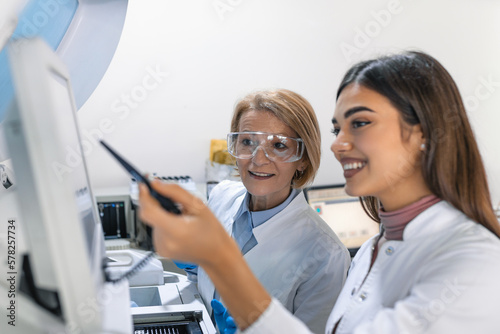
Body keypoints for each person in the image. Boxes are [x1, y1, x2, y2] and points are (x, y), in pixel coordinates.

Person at [138, 51, 500, 334]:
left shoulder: (472, 261)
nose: (339, 145)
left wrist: (221, 261)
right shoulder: (373, 252)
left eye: (359, 123)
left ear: (422, 134)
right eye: (337, 128)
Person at [177, 89, 351, 334]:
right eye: (248, 142)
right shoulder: (221, 196)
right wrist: (195, 266)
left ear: (303, 159)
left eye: (279, 145)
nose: (258, 159)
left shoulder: (326, 256)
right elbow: (203, 288)